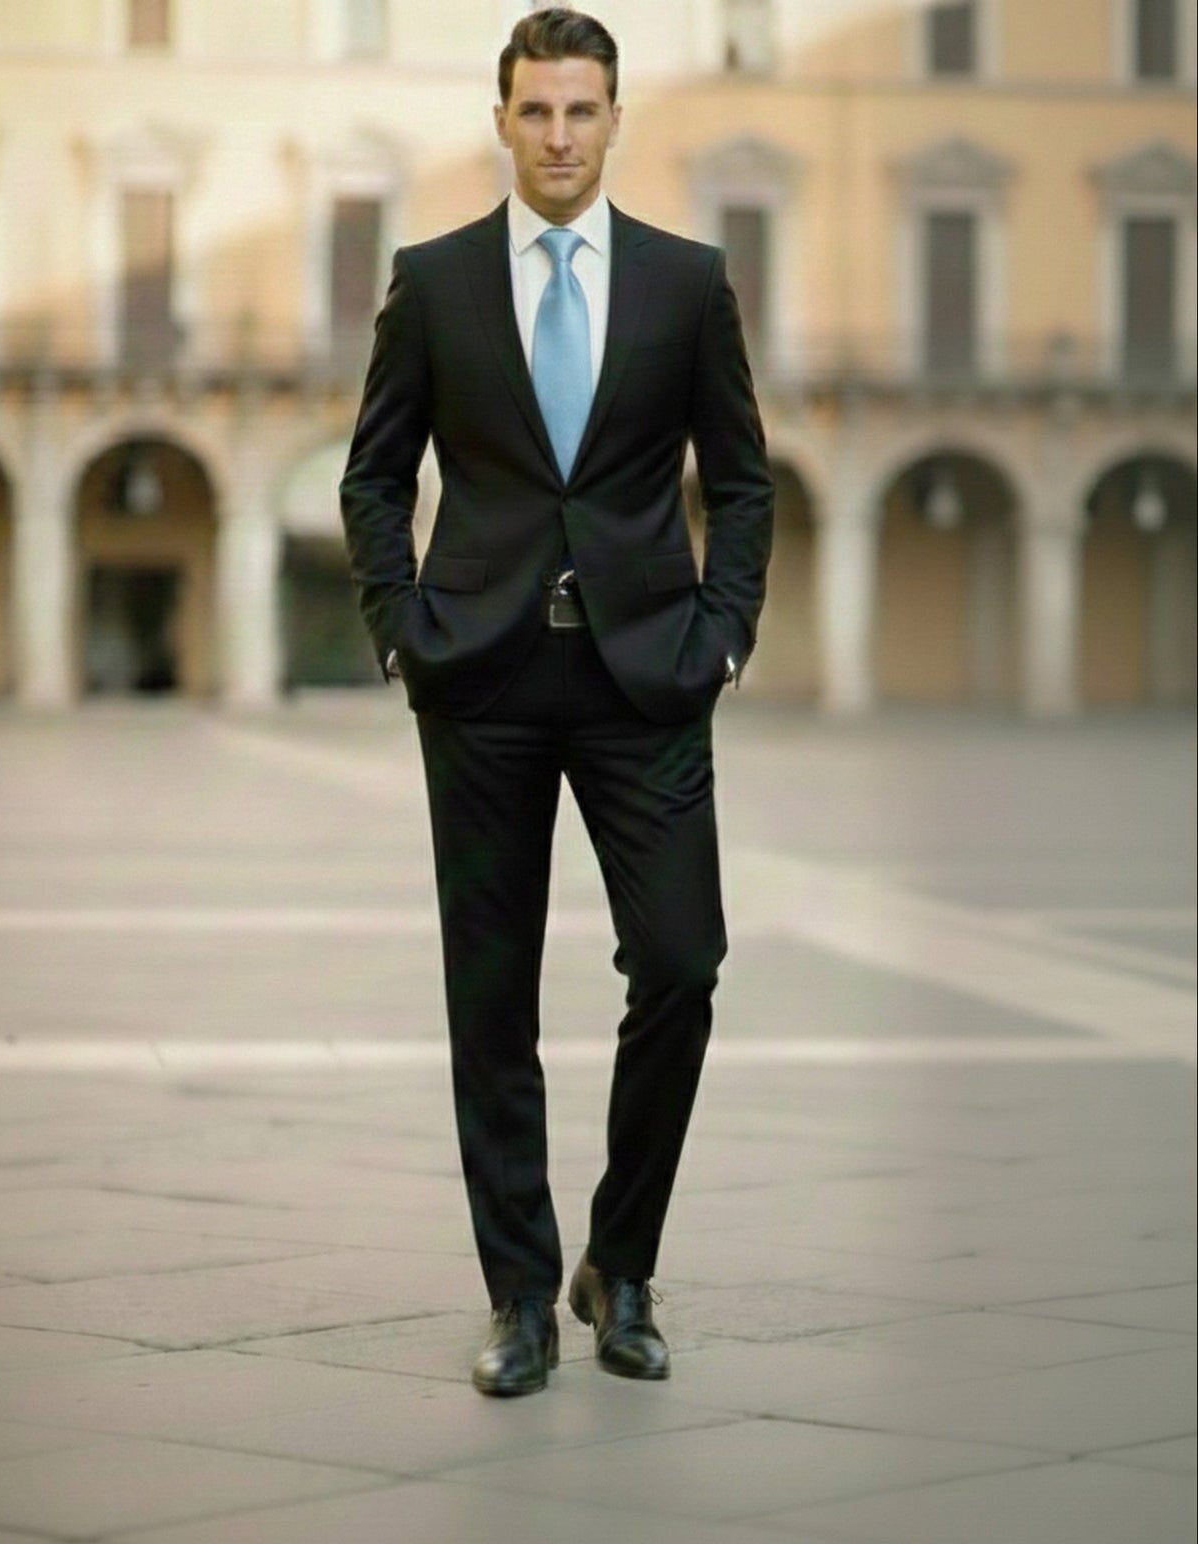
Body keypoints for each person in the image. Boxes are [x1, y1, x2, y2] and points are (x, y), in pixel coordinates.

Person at [340, 7, 774, 1397]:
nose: (558, 136)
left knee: (682, 963)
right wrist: (402, 632)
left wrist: (721, 637)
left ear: (613, 118)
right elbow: (371, 475)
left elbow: (743, 480)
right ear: (501, 121)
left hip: (646, 675)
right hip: (483, 676)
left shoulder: (685, 282)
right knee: (490, 997)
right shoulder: (436, 280)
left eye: (581, 110)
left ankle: (621, 1261)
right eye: (534, 111)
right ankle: (521, 1295)